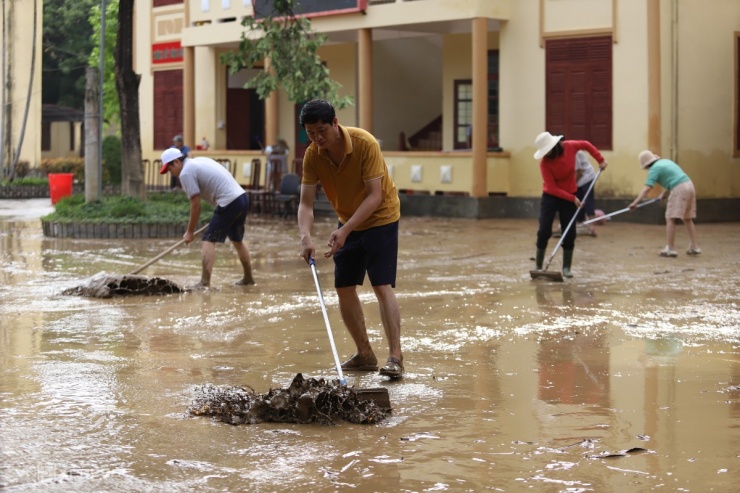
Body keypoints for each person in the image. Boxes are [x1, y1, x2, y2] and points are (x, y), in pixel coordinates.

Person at [297, 99, 404, 379]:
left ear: (335, 122)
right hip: (346, 220)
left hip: (381, 217)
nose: (318, 139)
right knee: (344, 287)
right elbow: (306, 204)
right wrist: (305, 236)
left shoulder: (364, 143)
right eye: (310, 133)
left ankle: (395, 357)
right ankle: (365, 354)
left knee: (381, 285)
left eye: (321, 130)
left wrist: (344, 231)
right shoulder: (313, 156)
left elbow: (375, 195)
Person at [159, 147, 255, 288]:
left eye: (169, 169)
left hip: (229, 201)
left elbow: (196, 204)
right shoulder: (199, 161)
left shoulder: (186, 173)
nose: (171, 173)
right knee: (237, 240)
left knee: (208, 239)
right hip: (241, 198)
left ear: (176, 162)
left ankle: (204, 283)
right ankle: (248, 278)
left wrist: (190, 232)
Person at [533, 132, 608, 278]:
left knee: (569, 232)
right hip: (551, 196)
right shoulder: (545, 164)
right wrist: (572, 198)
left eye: (547, 150)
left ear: (554, 146)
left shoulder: (570, 147)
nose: (546, 154)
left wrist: (600, 160)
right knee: (544, 230)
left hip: (570, 194)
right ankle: (538, 265)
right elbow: (552, 188)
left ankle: (566, 268)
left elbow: (586, 144)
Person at [629, 150, 700, 257]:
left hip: (679, 188)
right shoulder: (665, 162)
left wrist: (635, 202)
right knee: (687, 218)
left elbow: (647, 188)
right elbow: (674, 178)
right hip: (689, 185)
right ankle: (695, 246)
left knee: (670, 218)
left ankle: (670, 249)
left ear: (646, 165)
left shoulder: (654, 170)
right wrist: (664, 193)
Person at [574, 150, 599, 236]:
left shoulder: (574, 153)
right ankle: (581, 223)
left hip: (587, 177)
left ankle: (592, 226)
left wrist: (572, 186)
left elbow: (579, 172)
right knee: (579, 200)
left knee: (588, 200)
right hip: (579, 180)